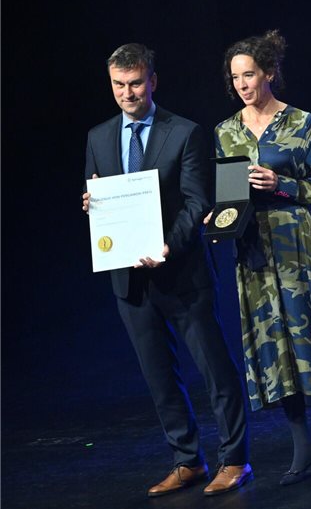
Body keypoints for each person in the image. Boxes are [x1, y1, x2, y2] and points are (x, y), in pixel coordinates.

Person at [81, 43, 251, 497]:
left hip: (181, 273)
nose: (127, 93)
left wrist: (166, 247)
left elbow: (197, 202)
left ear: (152, 81)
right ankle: (187, 460)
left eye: (136, 83)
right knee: (159, 377)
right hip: (130, 279)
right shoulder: (98, 137)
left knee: (215, 369)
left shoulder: (184, 132)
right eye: (119, 85)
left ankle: (234, 459)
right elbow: (100, 195)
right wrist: (92, 205)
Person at [213, 30, 311, 486]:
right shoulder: (226, 132)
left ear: (269, 73)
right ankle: (300, 438)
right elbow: (225, 194)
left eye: (249, 74)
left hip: (296, 241)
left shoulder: (300, 122)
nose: (242, 84)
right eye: (235, 77)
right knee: (272, 342)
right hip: (252, 247)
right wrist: (219, 220)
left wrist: (284, 186)